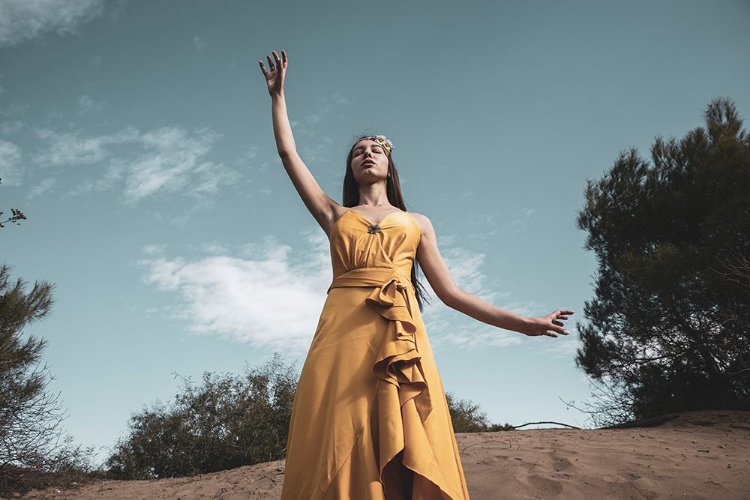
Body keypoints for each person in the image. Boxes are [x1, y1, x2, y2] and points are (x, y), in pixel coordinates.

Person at [259, 50, 573, 500]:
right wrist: (278, 97)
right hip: (340, 333)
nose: (367, 155)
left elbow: (452, 294)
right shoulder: (334, 214)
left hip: (399, 333)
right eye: (358, 153)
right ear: (351, 169)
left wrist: (524, 324)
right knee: (338, 428)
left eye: (375, 150)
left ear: (389, 165)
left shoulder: (417, 222)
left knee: (403, 427)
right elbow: (289, 156)